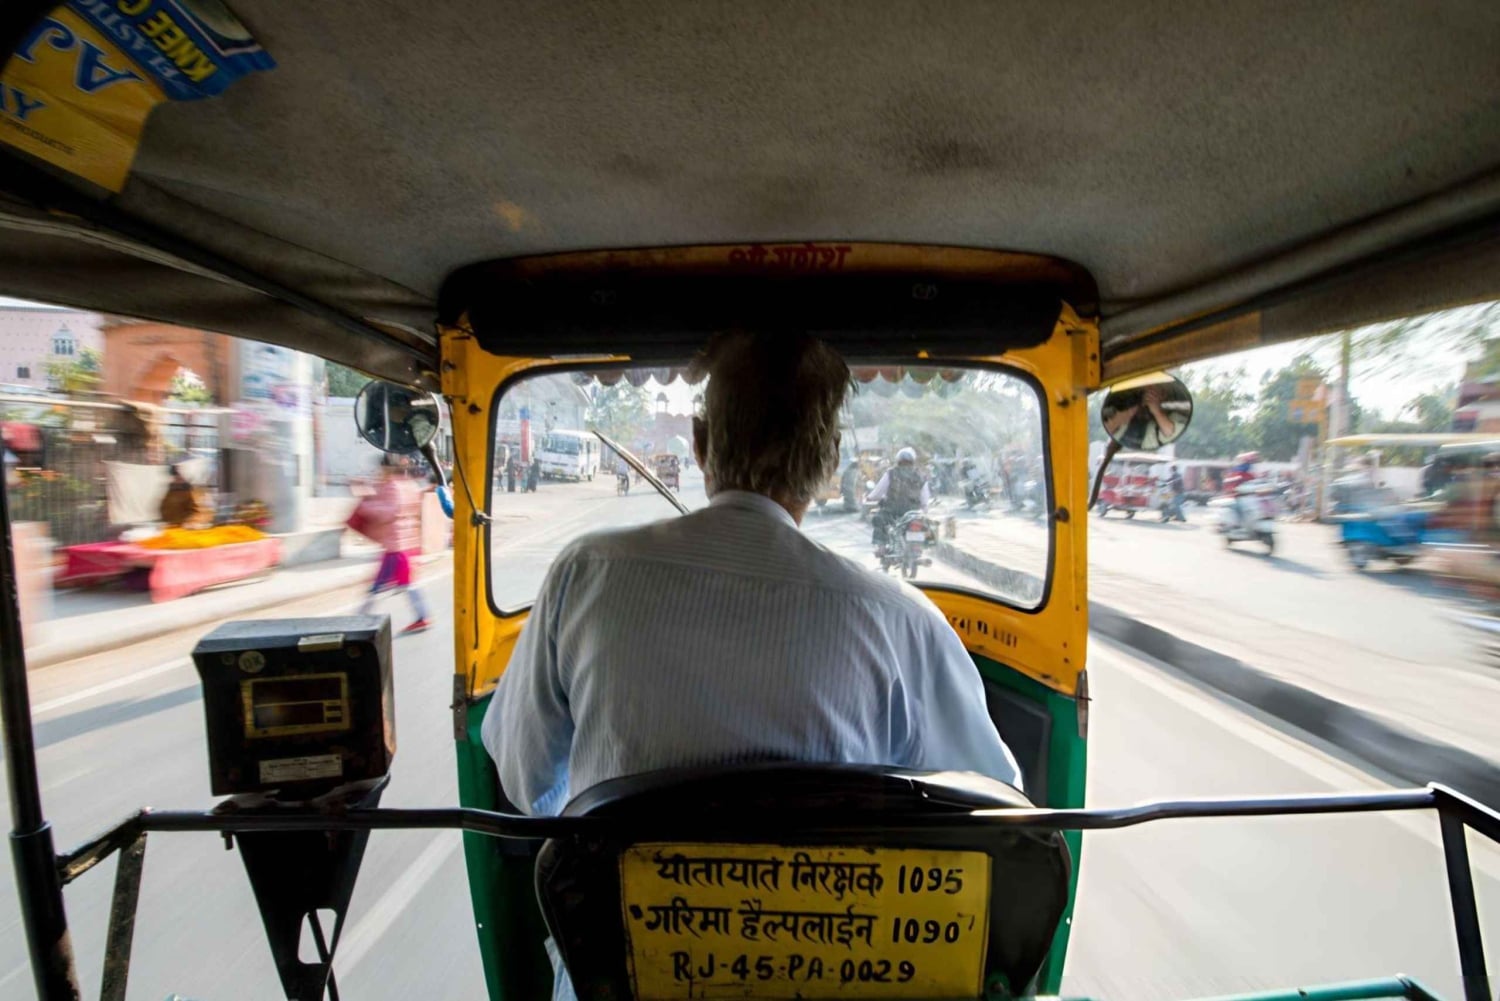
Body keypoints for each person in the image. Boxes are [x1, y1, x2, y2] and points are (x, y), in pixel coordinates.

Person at [482, 332, 1020, 1001]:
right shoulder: (901, 619)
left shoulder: (584, 574)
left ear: (702, 443)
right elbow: (999, 812)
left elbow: (525, 773)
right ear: (829, 462)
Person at [351, 456, 431, 634]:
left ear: (388, 468)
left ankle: (358, 619)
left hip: (396, 545)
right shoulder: (409, 485)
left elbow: (389, 511)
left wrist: (365, 506)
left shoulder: (393, 487)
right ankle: (422, 616)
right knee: (405, 583)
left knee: (381, 586)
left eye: (382, 468)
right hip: (406, 543)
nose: (380, 472)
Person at [867, 446, 931, 549]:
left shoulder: (891, 473)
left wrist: (870, 497)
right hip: (912, 512)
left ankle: (881, 547)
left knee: (878, 519)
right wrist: (924, 509)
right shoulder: (920, 476)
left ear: (898, 460)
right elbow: (925, 498)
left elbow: (878, 492)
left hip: (892, 511)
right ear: (913, 461)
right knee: (923, 523)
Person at [1103, 384, 1180, 450]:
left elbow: (1170, 433)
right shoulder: (1124, 415)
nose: (1149, 395)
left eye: (1155, 392)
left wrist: (1156, 411)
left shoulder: (1174, 417)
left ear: (1165, 396)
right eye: (1146, 390)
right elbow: (1109, 427)